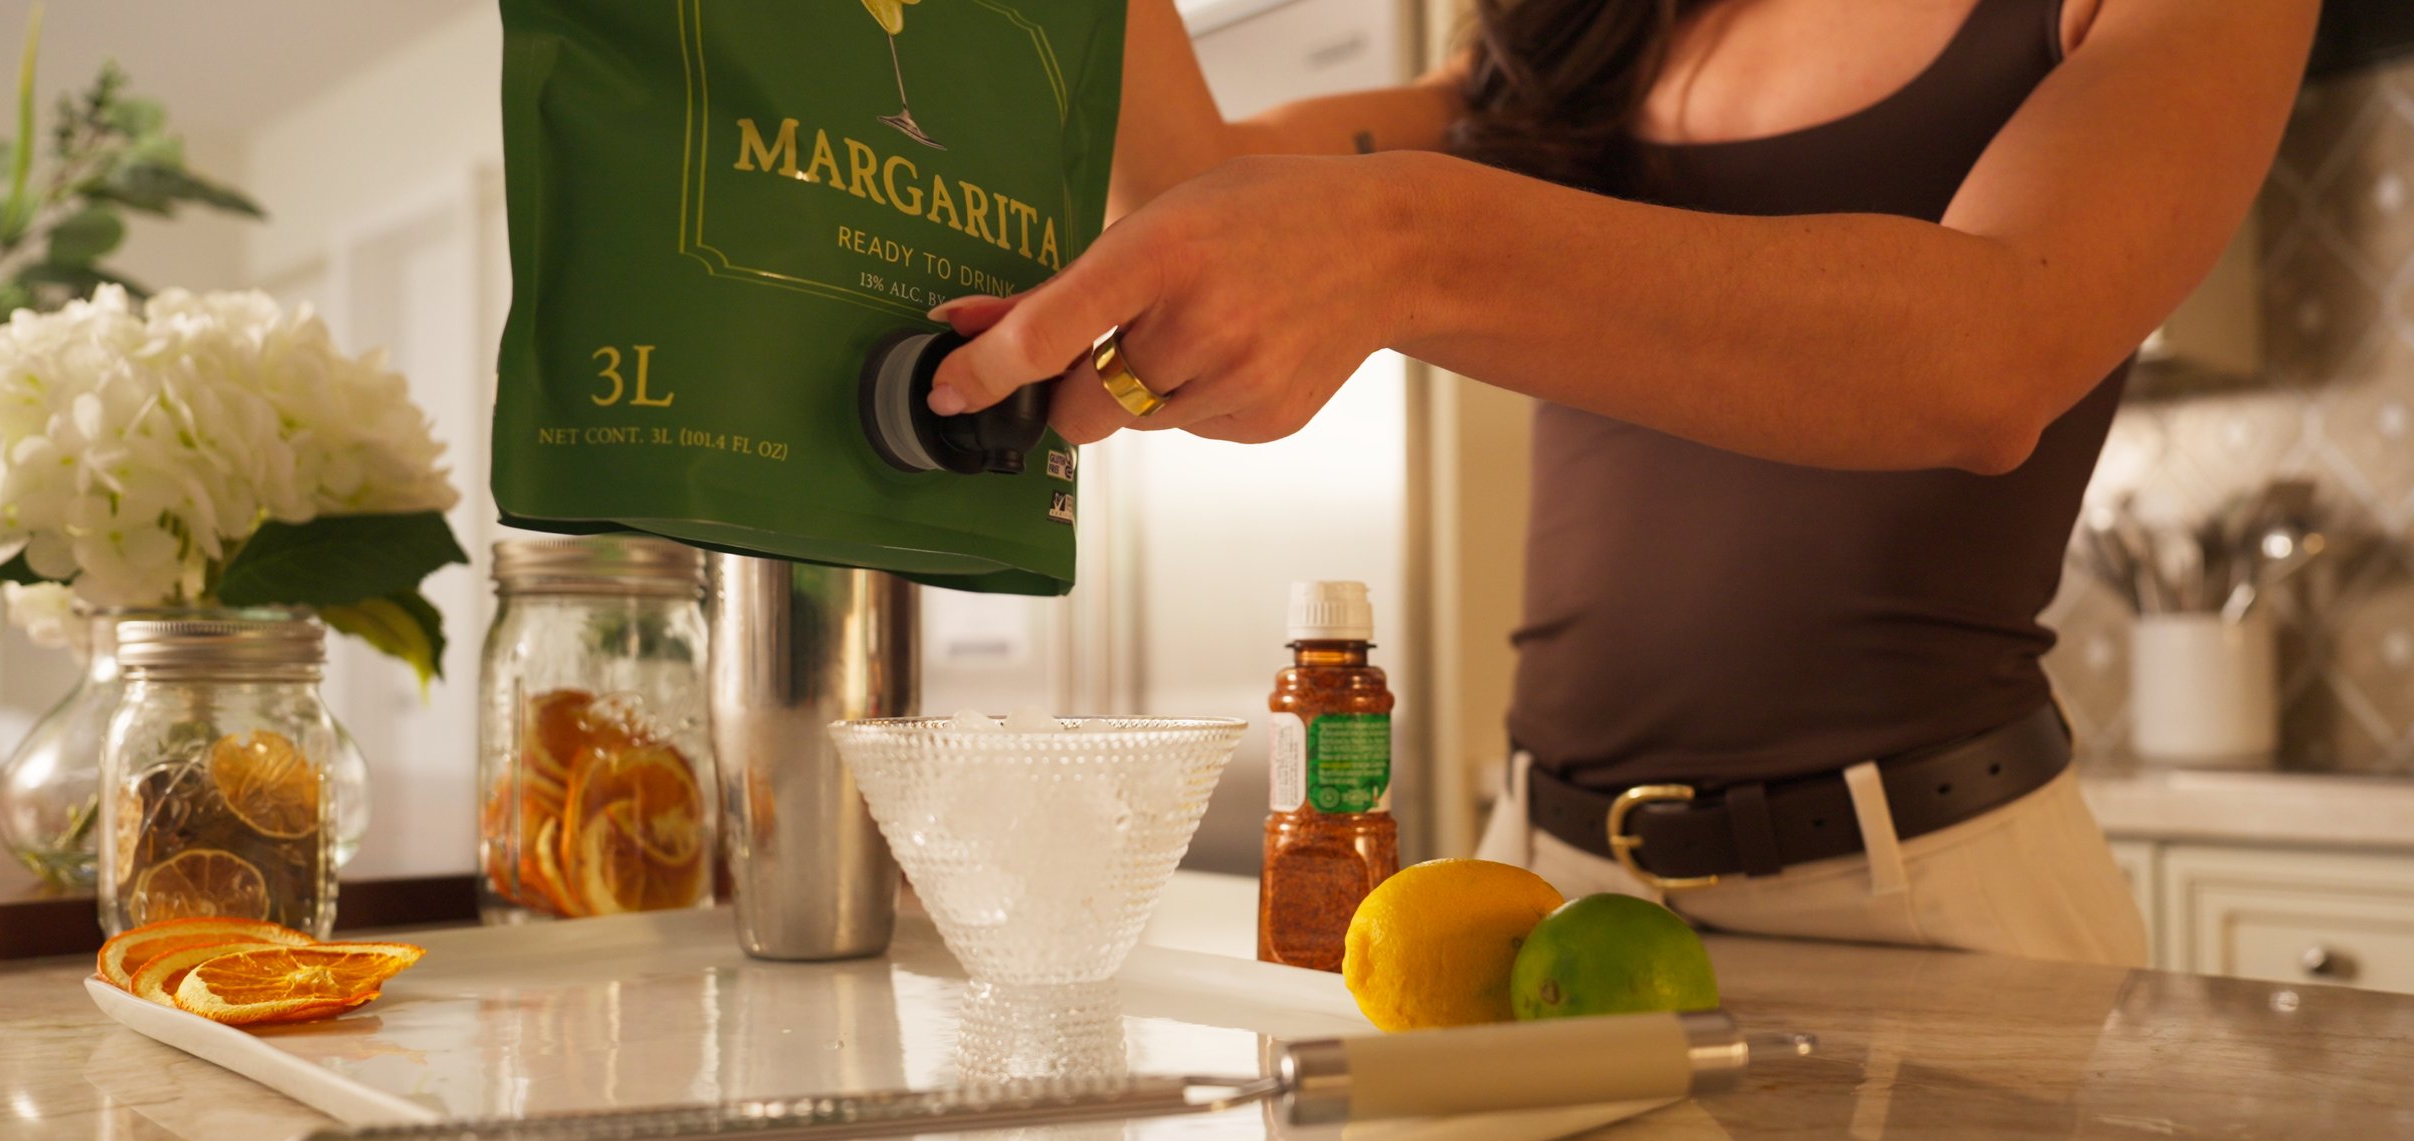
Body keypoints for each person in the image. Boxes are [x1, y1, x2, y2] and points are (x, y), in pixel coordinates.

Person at [921, 0, 2319, 966]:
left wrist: (1409, 238)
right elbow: (1199, 192)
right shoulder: (1570, 45)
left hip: (1929, 892)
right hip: (1539, 877)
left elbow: (1988, 351)